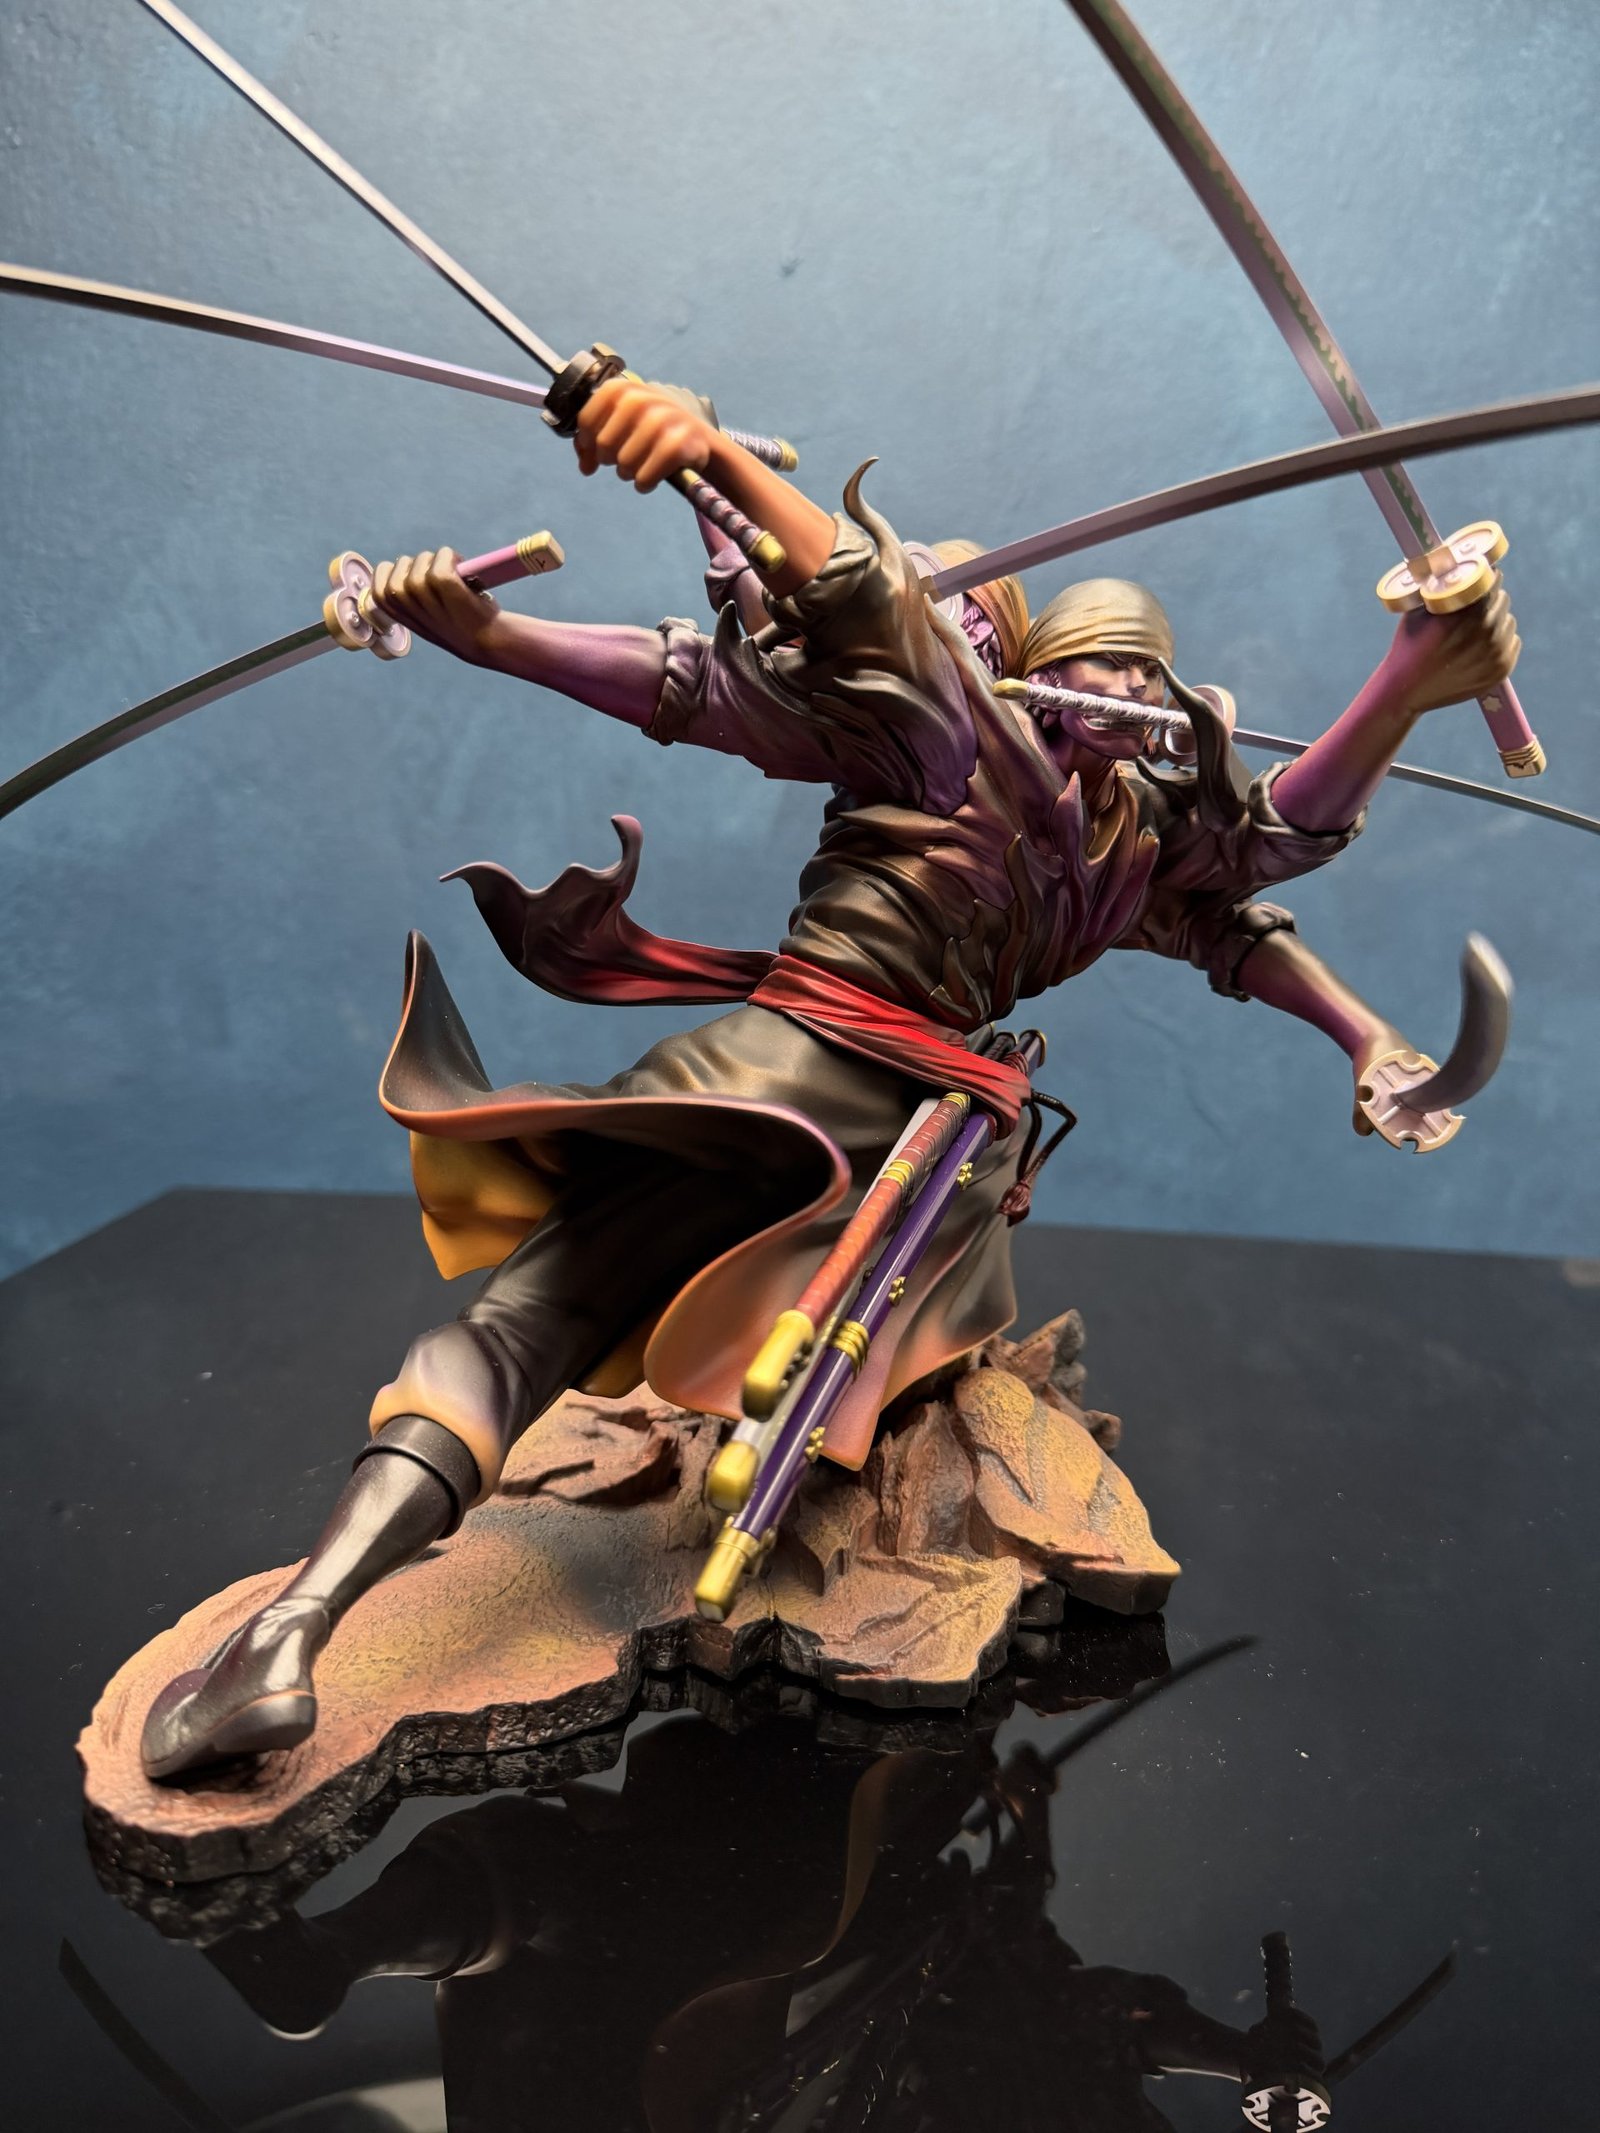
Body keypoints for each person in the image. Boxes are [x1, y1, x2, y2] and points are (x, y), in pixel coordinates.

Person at [141, 382, 1518, 1781]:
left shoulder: (1125, 850)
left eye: (1151, 678)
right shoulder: (947, 733)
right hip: (789, 1082)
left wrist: (1402, 711)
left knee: (658, 1346)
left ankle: (319, 1620)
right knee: (532, 1321)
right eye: (1102, 666)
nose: (1129, 694)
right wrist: (676, 484)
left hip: (916, 1158)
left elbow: (1257, 876)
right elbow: (837, 617)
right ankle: (294, 1627)